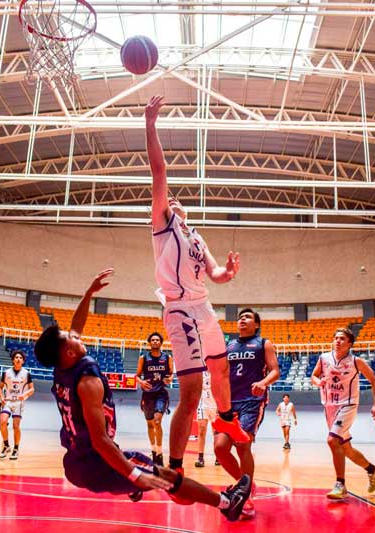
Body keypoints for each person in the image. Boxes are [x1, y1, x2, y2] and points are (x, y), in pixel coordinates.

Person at [33, 269, 251, 522]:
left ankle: (135, 487)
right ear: (68, 352)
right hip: (97, 465)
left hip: (74, 463)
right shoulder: (87, 382)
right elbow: (100, 441)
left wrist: (89, 294)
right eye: (69, 339)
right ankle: (228, 503)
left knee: (140, 461)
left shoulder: (62, 370)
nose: (74, 336)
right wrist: (135, 476)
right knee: (170, 478)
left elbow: (76, 327)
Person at [145, 95, 249, 488]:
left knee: (219, 367)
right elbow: (159, 171)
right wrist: (150, 125)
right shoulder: (162, 224)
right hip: (178, 309)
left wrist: (230, 272)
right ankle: (173, 466)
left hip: (203, 305)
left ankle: (226, 420)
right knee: (190, 390)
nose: (170, 198)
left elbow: (215, 273)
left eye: (174, 198)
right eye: (167, 197)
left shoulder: (195, 236)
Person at [214, 308, 280, 519]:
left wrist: (263, 383)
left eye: (248, 317)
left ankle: (245, 497)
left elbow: (275, 370)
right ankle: (248, 486)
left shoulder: (263, 343)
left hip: (252, 401)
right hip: (228, 403)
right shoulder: (229, 346)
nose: (242, 319)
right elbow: (221, 374)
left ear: (257, 324)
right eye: (241, 317)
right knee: (220, 448)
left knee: (243, 445)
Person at [311, 327, 375, 500]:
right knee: (346, 448)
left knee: (332, 440)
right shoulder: (324, 358)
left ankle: (340, 485)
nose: (337, 341)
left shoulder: (356, 361)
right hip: (329, 407)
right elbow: (313, 376)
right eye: (335, 338)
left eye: (342, 338)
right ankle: (371, 469)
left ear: (349, 343)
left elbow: (373, 380)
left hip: (347, 405)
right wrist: (318, 382)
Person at [136, 332, 173, 466]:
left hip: (161, 393)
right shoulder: (143, 358)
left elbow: (170, 374)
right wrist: (141, 382)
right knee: (150, 424)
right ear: (150, 343)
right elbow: (137, 375)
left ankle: (159, 451)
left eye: (157, 340)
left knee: (157, 421)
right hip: (147, 394)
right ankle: (153, 450)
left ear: (161, 342)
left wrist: (169, 379)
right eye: (153, 340)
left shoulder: (167, 357)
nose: (155, 341)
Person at [0, 349, 34, 460]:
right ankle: (6, 445)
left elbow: (32, 389)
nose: (18, 359)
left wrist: (25, 395)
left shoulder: (27, 374)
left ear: (23, 361)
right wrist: (2, 398)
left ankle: (16, 448)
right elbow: (0, 387)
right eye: (16, 357)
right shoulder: (6, 373)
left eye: (20, 358)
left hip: (19, 402)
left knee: (16, 426)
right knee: (3, 422)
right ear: (13, 360)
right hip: (8, 401)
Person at [194, 370, 217, 468]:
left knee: (216, 432)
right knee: (201, 430)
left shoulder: (218, 370)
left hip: (216, 404)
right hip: (203, 404)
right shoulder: (199, 371)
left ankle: (218, 457)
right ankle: (200, 457)